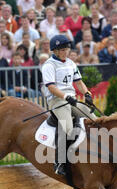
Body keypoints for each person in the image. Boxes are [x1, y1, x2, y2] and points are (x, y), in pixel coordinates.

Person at [41, 34, 96, 175]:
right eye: (62, 50)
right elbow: (51, 87)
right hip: (57, 100)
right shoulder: (49, 65)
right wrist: (66, 97)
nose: (66, 52)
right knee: (68, 128)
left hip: (71, 99)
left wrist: (87, 94)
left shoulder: (71, 63)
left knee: (93, 118)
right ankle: (60, 162)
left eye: (67, 49)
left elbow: (78, 82)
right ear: (55, 51)